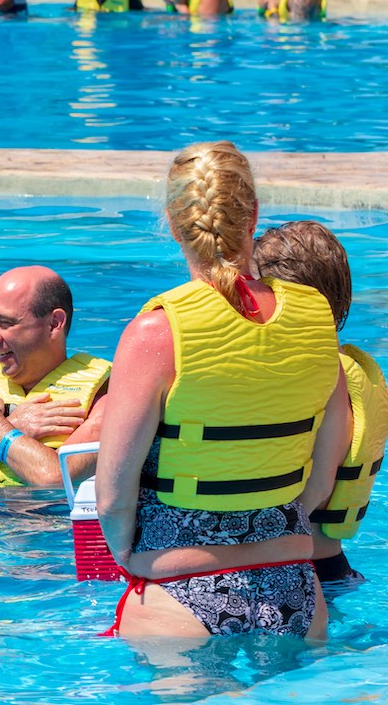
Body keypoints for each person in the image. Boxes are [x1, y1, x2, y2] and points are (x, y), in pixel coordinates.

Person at [95, 140, 349, 639]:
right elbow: (322, 478)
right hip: (294, 585)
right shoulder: (316, 316)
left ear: (172, 222)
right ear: (254, 214)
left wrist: (131, 554)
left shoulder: (157, 332)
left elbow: (112, 497)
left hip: (180, 588)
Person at [253, 221, 388, 590]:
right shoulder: (341, 365)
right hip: (326, 565)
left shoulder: (326, 375)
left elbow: (318, 487)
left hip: (305, 569)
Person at [0, 266, 111, 487]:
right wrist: (17, 424)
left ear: (54, 323)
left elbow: (54, 477)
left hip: (44, 519)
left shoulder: (105, 394)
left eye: (6, 323)